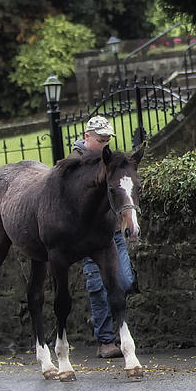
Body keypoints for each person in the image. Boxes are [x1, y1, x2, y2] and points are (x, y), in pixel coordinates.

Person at [71, 116, 137, 359]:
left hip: (112, 231)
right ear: (87, 137)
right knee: (98, 286)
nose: (105, 144)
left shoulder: (112, 160)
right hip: (88, 235)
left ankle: (101, 318)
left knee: (126, 281)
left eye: (108, 140)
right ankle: (105, 341)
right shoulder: (75, 164)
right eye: (101, 140)